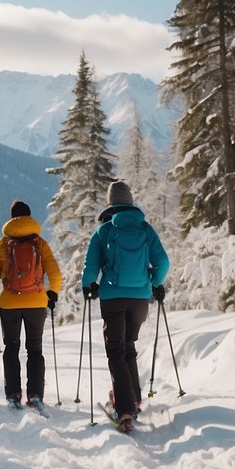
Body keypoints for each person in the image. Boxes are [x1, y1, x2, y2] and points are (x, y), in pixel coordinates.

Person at [81, 180, 170, 433]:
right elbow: (163, 262)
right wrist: (155, 282)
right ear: (130, 203)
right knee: (128, 346)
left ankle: (125, 410)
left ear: (110, 204)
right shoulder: (145, 229)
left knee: (116, 352)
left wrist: (89, 286)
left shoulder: (104, 231)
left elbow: (90, 267)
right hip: (140, 298)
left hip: (113, 298)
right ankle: (134, 398)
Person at [0, 200, 63, 409]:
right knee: (35, 349)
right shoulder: (40, 243)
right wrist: (51, 294)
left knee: (11, 348)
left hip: (10, 304)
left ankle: (13, 395)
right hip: (37, 302)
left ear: (12, 218)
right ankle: (35, 395)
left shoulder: (2, 245)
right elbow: (55, 274)